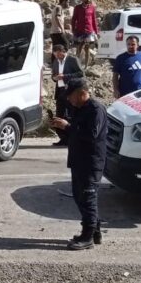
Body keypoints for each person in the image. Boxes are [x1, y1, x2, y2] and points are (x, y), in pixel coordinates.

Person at [50, 81, 108, 251]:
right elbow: (76, 132)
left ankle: (88, 236)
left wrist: (68, 126)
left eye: (71, 96)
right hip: (78, 160)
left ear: (82, 93)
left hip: (91, 162)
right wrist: (63, 127)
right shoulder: (80, 109)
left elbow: (91, 134)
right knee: (79, 196)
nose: (69, 100)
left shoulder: (95, 109)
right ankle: (94, 231)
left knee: (88, 197)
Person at [49, 44, 83, 146]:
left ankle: (72, 138)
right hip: (60, 91)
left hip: (71, 91)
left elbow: (80, 74)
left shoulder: (72, 60)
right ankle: (63, 138)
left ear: (64, 52)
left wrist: (64, 76)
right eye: (56, 55)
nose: (58, 57)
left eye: (59, 54)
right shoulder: (55, 62)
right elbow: (54, 75)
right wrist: (54, 78)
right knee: (60, 114)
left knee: (71, 115)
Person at [71, 0, 99, 66]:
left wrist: (96, 31)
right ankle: (76, 65)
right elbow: (74, 19)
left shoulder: (92, 8)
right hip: (79, 31)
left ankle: (86, 66)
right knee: (79, 48)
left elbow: (94, 20)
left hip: (89, 31)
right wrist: (73, 29)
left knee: (87, 49)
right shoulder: (77, 8)